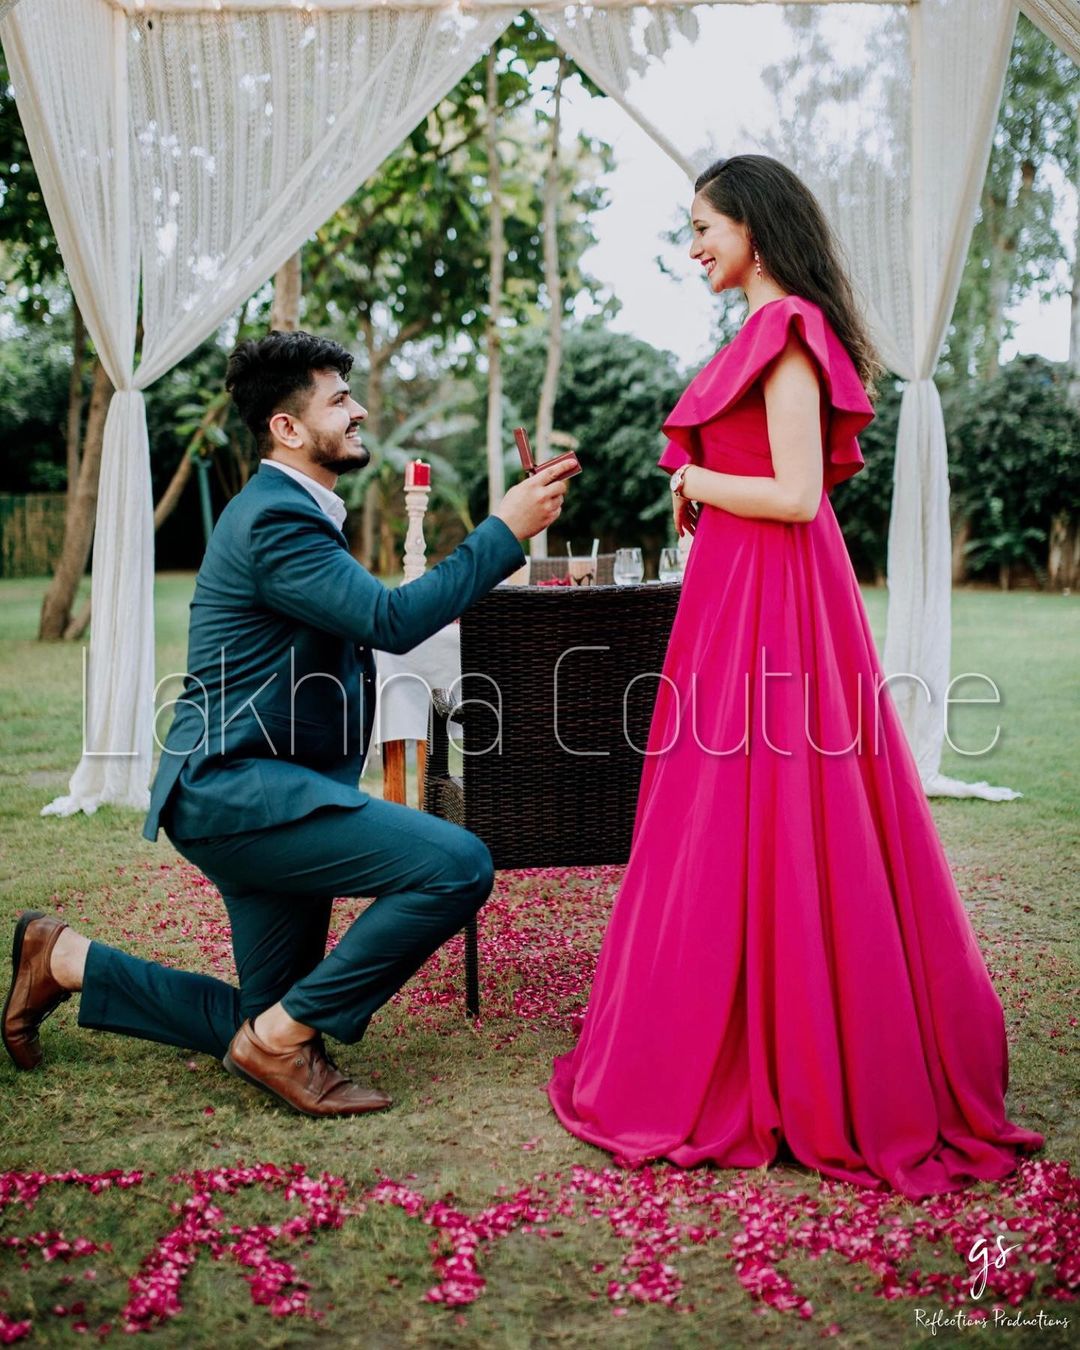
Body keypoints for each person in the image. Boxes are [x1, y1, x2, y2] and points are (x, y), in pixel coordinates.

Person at [547, 156, 1043, 1198]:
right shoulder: (763, 333)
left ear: (756, 230)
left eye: (702, 228)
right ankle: (739, 1027)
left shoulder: (786, 335)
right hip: (741, 595)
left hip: (774, 600)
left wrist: (691, 476)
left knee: (773, 798)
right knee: (734, 806)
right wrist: (702, 491)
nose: (691, 248)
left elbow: (796, 493)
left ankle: (797, 1055)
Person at [3, 330, 569, 1117]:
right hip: (238, 792)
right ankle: (279, 1041)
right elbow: (389, 618)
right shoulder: (276, 519)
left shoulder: (295, 512)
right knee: (457, 865)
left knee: (267, 1012)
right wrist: (504, 529)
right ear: (287, 428)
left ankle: (64, 959)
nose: (360, 408)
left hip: (266, 788)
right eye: (339, 398)